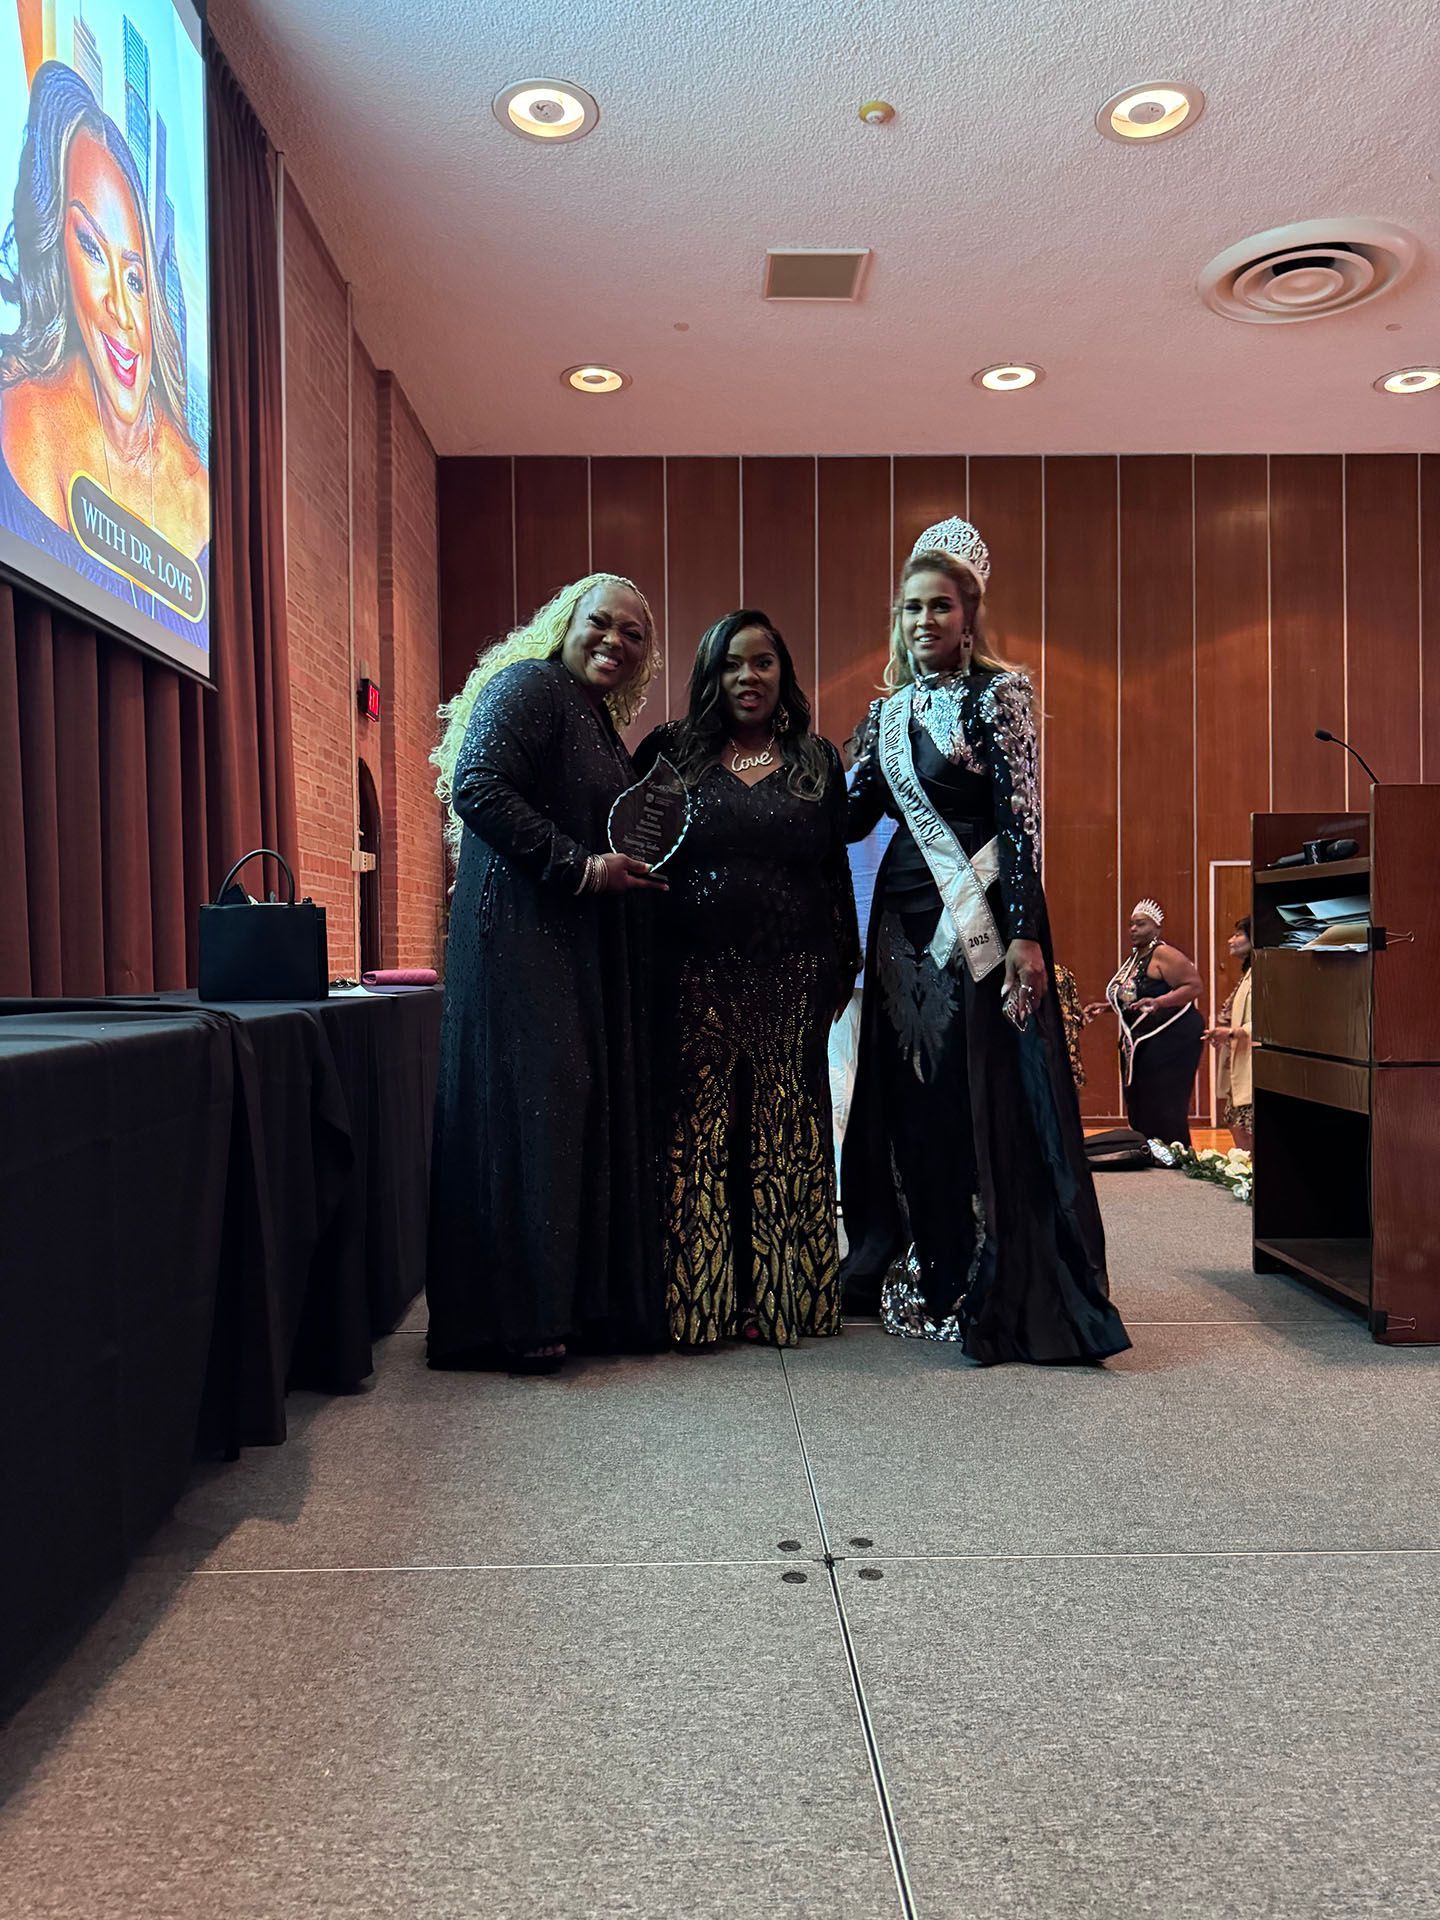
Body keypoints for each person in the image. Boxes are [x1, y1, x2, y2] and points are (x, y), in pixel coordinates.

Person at [839, 518, 1130, 1366]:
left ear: (970, 614)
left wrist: (1028, 937)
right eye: (911, 608)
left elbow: (1021, 821)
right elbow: (855, 816)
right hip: (897, 931)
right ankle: (930, 1260)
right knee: (916, 1100)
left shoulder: (1000, 694)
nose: (924, 621)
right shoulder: (885, 712)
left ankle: (992, 1271)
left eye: (941, 606)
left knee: (981, 1098)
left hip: (977, 929)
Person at [427, 574, 667, 1373]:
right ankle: (518, 1320)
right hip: (516, 936)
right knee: (538, 1110)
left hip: (557, 940)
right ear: (565, 623)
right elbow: (477, 788)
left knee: (559, 1111)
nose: (617, 642)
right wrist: (585, 870)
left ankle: (559, 1305)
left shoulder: (590, 716)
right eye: (603, 623)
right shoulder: (530, 684)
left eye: (634, 635)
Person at [634, 611, 859, 1348]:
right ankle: (701, 1303)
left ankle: (780, 1299)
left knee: (783, 1131)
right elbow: (635, 855)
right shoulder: (672, 755)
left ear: (782, 673)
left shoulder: (815, 761)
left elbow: (833, 874)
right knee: (700, 1132)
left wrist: (841, 962)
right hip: (693, 974)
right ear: (710, 675)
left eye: (762, 662)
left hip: (792, 975)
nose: (748, 677)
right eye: (732, 664)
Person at [0, 63, 208, 624]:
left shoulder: (195, 486)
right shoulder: (14, 400)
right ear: (55, 245)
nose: (121, 305)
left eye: (136, 277)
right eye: (93, 249)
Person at [1085, 901, 1205, 1147]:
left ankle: (1174, 1150)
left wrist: (1160, 1002)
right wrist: (1106, 1008)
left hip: (1171, 1037)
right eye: (1131, 924)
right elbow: (1134, 999)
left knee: (1163, 1097)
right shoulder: (1134, 959)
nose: (1133, 929)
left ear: (1156, 927)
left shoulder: (1164, 954)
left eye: (1141, 924)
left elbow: (1194, 986)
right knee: (1141, 1096)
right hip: (1142, 1040)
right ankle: (1148, 1147)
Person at [1206, 915, 1254, 1150]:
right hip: (1238, 1061)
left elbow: (1271, 1021)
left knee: (1249, 1129)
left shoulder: (1265, 973)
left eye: (1238, 934)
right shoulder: (1248, 975)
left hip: (1254, 1066)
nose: (1230, 940)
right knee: (1237, 1124)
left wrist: (1234, 1033)